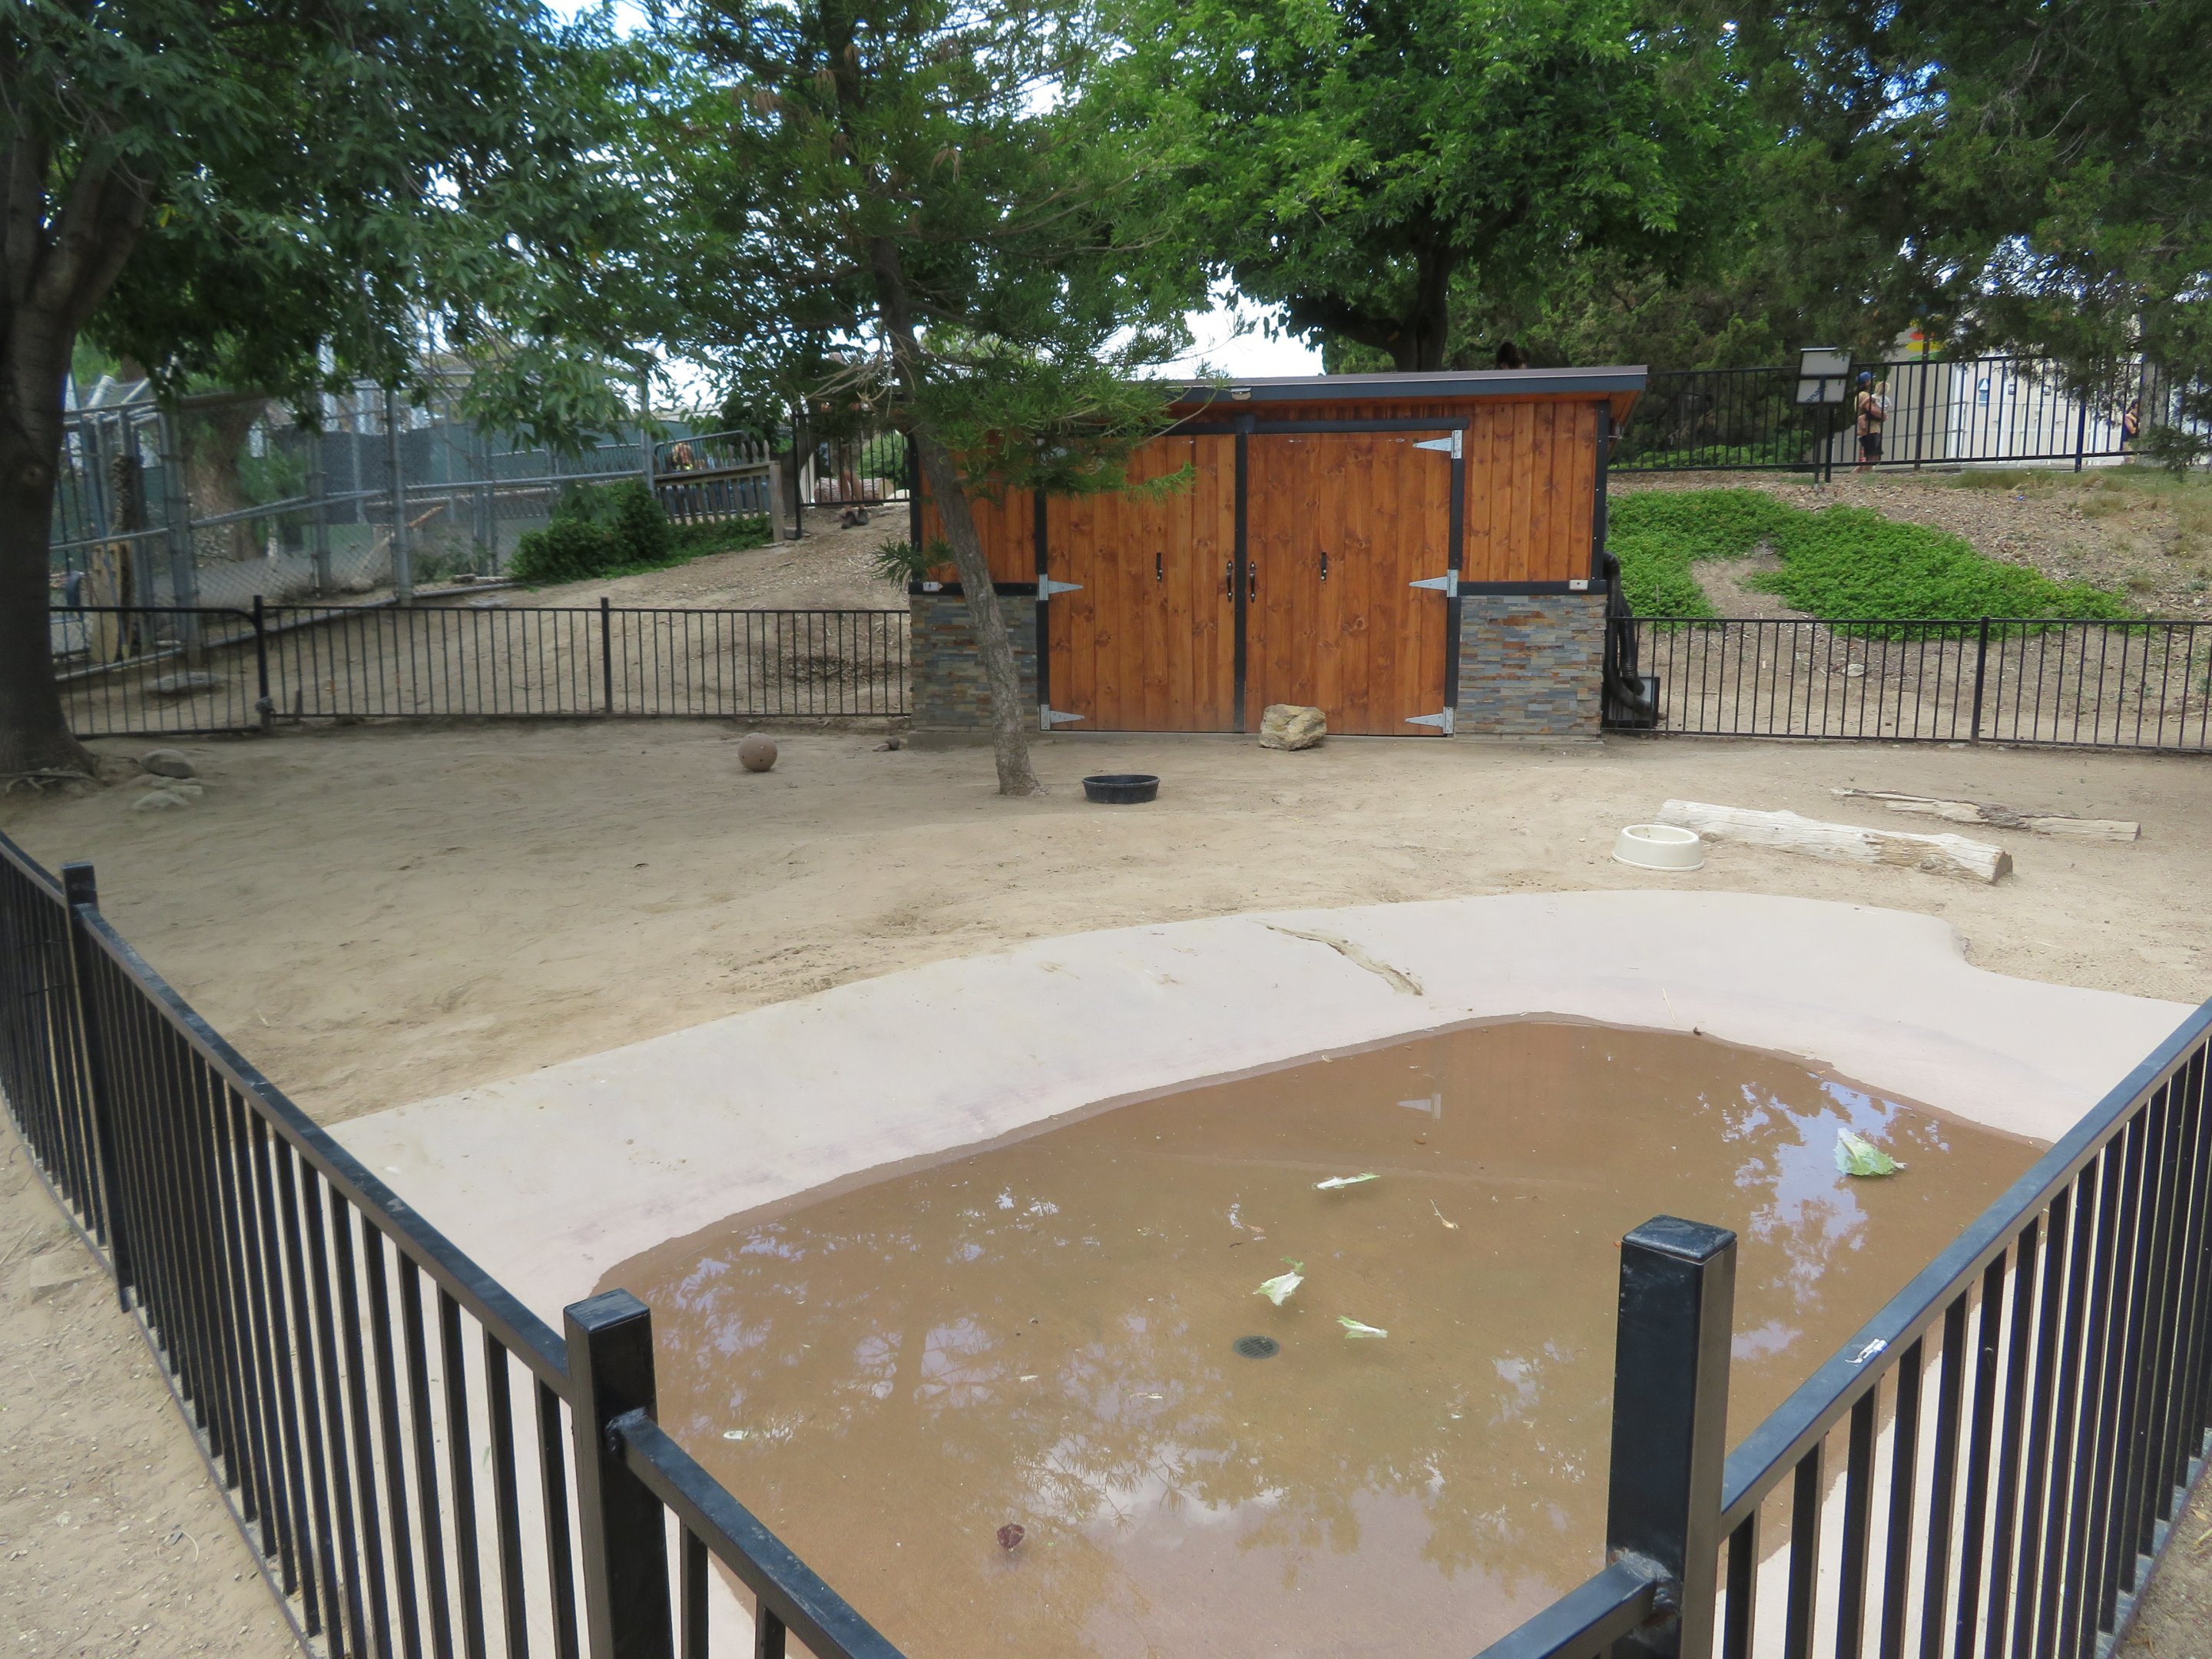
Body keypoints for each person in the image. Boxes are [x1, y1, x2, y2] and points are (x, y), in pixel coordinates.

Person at [1853, 372, 1889, 473]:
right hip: (1870, 430)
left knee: (1872, 457)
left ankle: (1855, 475)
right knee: (1872, 457)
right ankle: (1866, 474)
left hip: (1871, 429)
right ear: (1866, 382)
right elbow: (1871, 409)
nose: (1872, 382)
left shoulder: (1861, 395)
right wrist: (1883, 415)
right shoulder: (1864, 395)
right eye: (1870, 380)